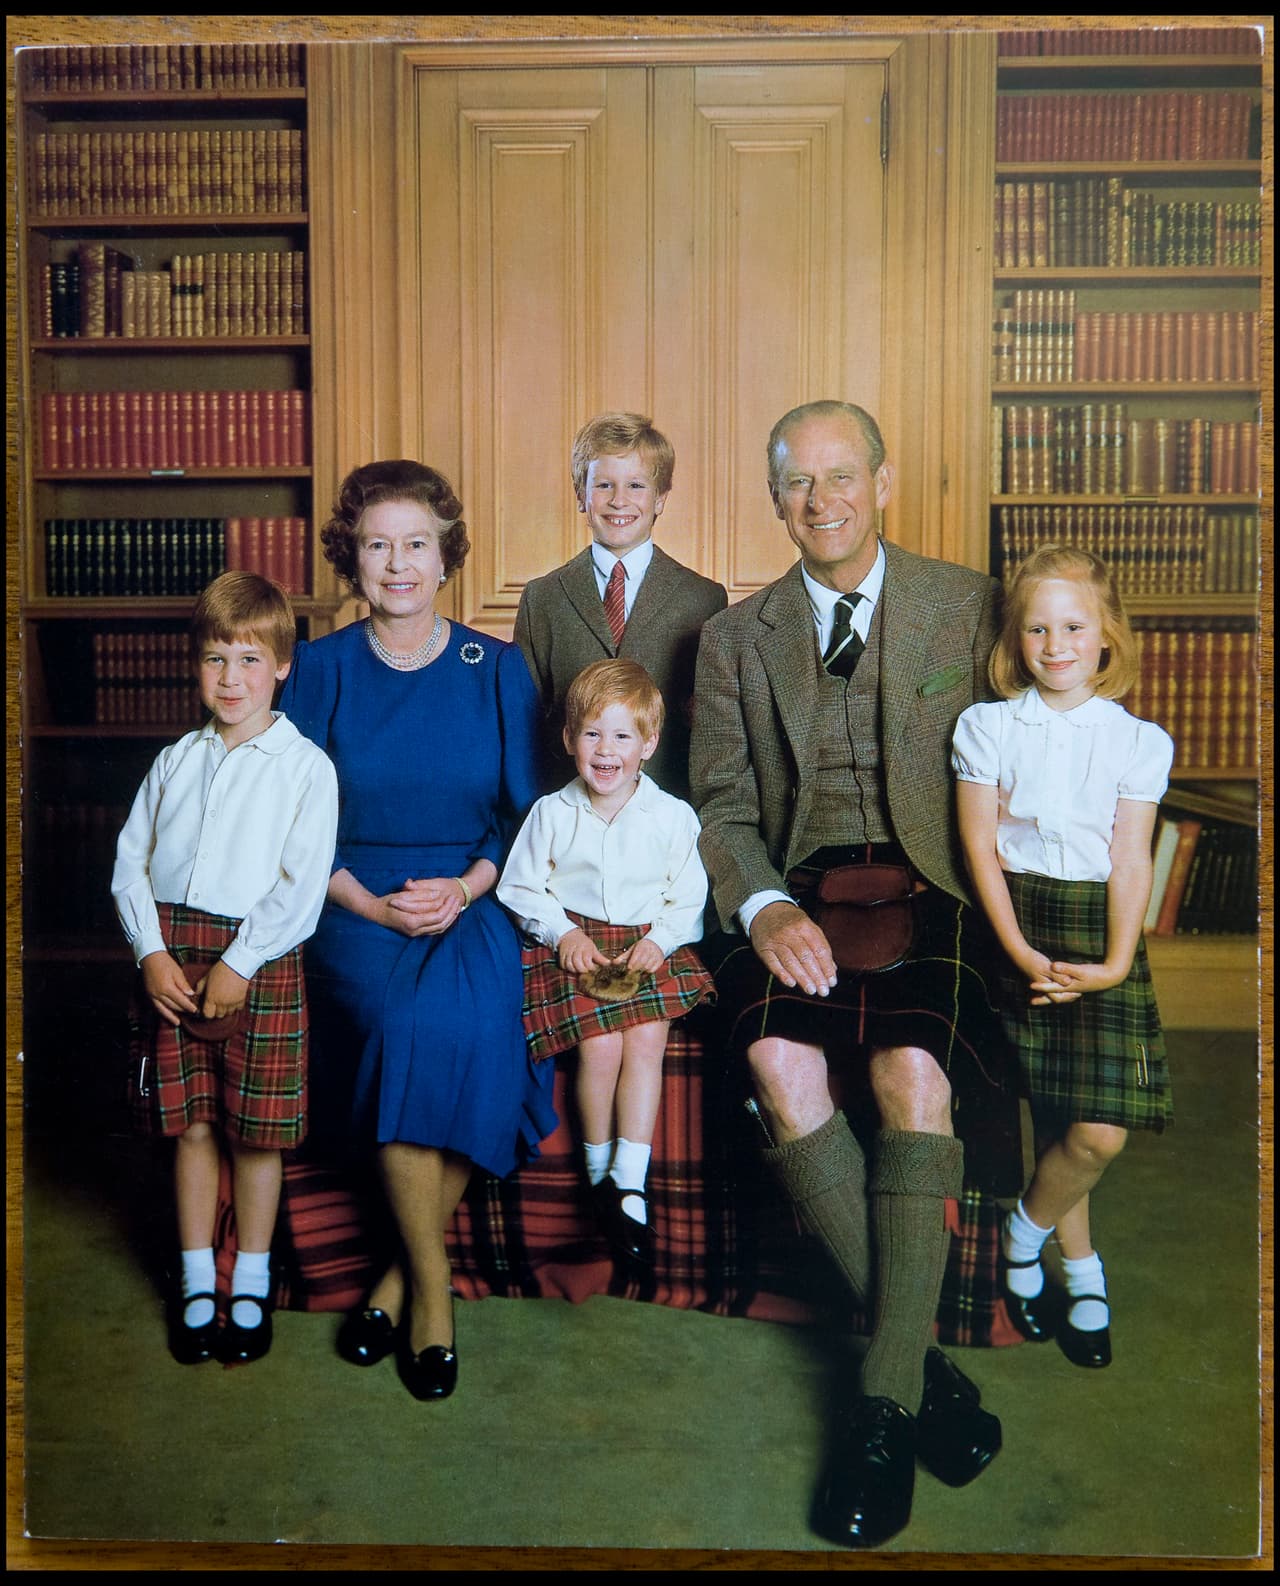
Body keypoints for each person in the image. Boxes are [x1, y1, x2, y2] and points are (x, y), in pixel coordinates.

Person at [689, 399, 1021, 1549]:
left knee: (910, 1076)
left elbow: (1031, 750)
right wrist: (767, 901)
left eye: (841, 476)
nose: (821, 500)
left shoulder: (967, 604)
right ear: (772, 496)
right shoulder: (736, 638)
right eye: (797, 482)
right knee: (778, 1061)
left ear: (881, 481)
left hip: (932, 884)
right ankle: (918, 1368)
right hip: (798, 881)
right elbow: (723, 810)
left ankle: (877, 1404)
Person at [276, 458, 556, 1403]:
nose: (398, 563)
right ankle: (435, 1294)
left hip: (470, 895)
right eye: (377, 544)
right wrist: (364, 903)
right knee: (405, 1028)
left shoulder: (497, 667)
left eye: (417, 544)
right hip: (352, 902)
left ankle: (394, 1281)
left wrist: (470, 888)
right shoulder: (316, 670)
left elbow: (525, 821)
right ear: (352, 558)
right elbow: (288, 828)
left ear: (447, 558)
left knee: (482, 1026)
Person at [952, 543, 1174, 1372]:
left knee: (1098, 1132)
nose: (1056, 646)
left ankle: (1023, 1233)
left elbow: (1129, 860)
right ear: (1016, 640)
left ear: (1106, 636)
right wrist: (1013, 945)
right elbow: (980, 846)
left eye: (1074, 627)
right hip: (1017, 919)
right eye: (1037, 629)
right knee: (1051, 1112)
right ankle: (1083, 1271)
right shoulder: (987, 726)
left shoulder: (1137, 742)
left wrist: (1118, 961)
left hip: (1098, 929)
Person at [111, 571, 339, 1367]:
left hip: (260, 958)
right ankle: (197, 1281)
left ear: (283, 665)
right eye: (215, 659)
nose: (231, 678)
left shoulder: (305, 768)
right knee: (192, 1125)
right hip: (173, 955)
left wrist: (242, 961)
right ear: (195, 667)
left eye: (249, 659)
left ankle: (250, 1282)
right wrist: (149, 951)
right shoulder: (176, 760)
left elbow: (302, 886)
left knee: (257, 1133)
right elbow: (128, 864)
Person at [496, 658, 714, 1267]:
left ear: (648, 743)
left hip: (645, 943)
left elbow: (687, 895)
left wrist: (662, 941)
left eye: (622, 736)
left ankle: (630, 1181)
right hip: (583, 942)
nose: (605, 750)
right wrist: (559, 930)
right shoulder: (551, 813)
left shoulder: (673, 817)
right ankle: (598, 1176)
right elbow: (520, 888)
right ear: (569, 741)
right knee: (601, 1045)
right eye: (591, 734)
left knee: (645, 1037)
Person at [514, 411, 727, 799]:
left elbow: (712, 729)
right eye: (604, 485)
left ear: (661, 498)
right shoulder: (542, 599)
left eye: (636, 485)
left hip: (669, 813)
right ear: (581, 494)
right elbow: (527, 726)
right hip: (570, 816)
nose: (619, 501)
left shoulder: (704, 598)